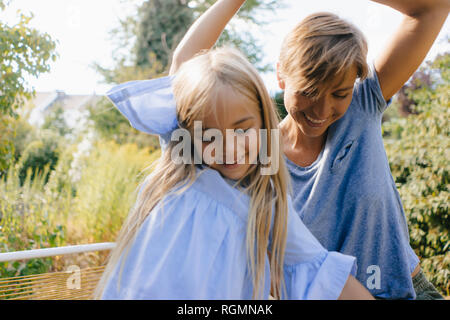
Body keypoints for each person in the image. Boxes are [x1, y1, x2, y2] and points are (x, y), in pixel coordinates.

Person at [93, 0, 374, 300]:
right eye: (209, 136)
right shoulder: (185, 161)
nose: (228, 148)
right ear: (188, 131)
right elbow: (185, 62)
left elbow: (321, 272)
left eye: (242, 130)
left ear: (264, 122)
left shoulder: (267, 204)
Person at [183, 0, 449, 299]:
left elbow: (433, 8)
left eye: (339, 93)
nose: (322, 110)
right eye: (309, 91)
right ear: (281, 75)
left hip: (411, 292)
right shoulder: (258, 154)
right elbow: (182, 76)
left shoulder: (361, 107)